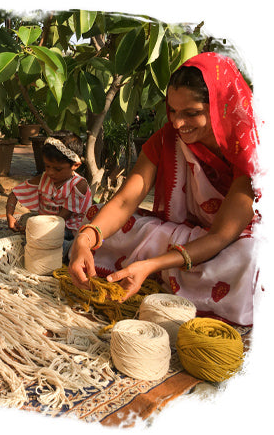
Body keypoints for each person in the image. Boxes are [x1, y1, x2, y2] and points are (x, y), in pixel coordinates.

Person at [68, 52, 259, 326]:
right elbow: (124, 202)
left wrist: (153, 264)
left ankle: (154, 273)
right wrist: (86, 239)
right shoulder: (168, 138)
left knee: (252, 260)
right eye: (172, 111)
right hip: (187, 234)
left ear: (220, 106)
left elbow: (219, 236)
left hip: (233, 242)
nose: (178, 123)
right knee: (96, 220)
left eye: (191, 113)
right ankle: (163, 274)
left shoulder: (250, 149)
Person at [6, 131, 92, 259]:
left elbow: (60, 219)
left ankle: (72, 250)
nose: (50, 172)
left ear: (75, 165)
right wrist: (10, 216)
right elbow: (14, 193)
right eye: (47, 166)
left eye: (58, 169)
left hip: (66, 230)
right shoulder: (44, 178)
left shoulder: (79, 185)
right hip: (47, 225)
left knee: (56, 247)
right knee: (26, 220)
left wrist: (35, 231)